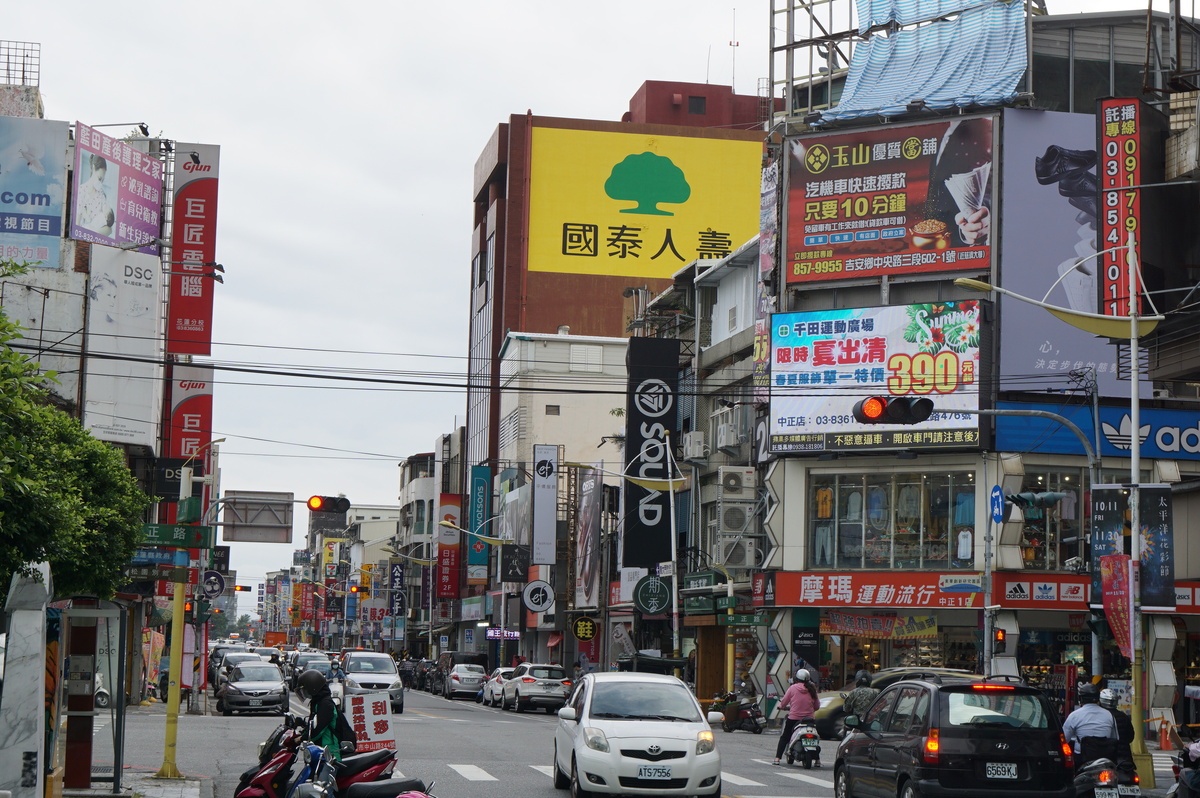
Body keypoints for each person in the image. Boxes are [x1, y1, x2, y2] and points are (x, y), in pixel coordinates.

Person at [297, 669, 350, 761]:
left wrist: (302, 738)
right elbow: (313, 724)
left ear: (313, 687)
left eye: (305, 690)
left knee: (328, 774)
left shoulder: (325, 704)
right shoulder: (318, 702)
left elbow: (319, 729)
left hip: (330, 748)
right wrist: (303, 733)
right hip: (320, 747)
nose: (304, 693)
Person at [1062, 683, 1119, 769]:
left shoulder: (1074, 715)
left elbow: (1064, 739)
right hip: (1105, 759)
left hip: (1082, 760)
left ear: (1080, 699)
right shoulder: (1109, 715)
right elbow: (1115, 738)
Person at [774, 669, 820, 767]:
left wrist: (780, 706)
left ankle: (777, 758)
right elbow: (817, 706)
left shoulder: (793, 688)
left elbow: (784, 701)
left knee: (785, 737)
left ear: (797, 678)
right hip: (809, 720)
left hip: (794, 718)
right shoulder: (812, 689)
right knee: (814, 738)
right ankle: (817, 760)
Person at [1099, 688, 1135, 767]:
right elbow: (1130, 737)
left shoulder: (1098, 717)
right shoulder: (1123, 716)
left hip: (1104, 756)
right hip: (1124, 757)